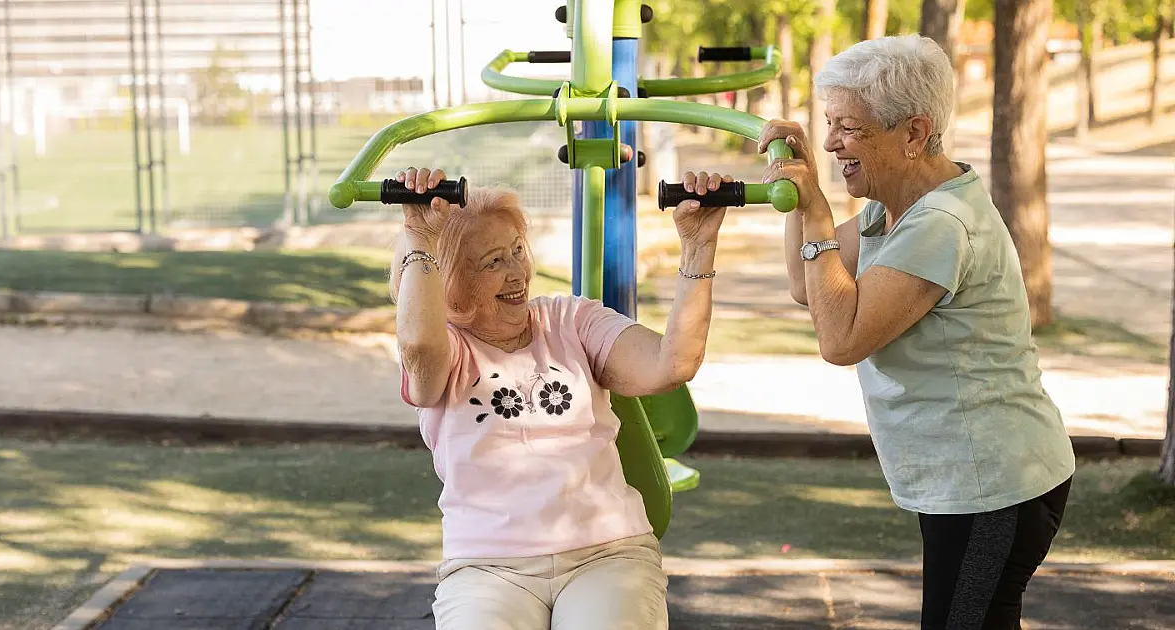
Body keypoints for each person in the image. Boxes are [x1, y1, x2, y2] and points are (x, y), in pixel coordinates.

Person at [757, 34, 1077, 629]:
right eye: (829, 125)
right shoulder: (895, 208)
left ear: (912, 132)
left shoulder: (942, 224)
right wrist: (800, 195)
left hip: (995, 486)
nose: (831, 144)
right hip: (973, 482)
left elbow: (841, 340)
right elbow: (809, 286)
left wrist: (821, 214)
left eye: (850, 128)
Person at [390, 164, 733, 630]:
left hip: (607, 554)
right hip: (487, 566)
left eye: (517, 252)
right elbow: (417, 344)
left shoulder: (571, 321)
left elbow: (672, 364)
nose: (518, 274)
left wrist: (698, 248)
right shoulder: (448, 351)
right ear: (452, 280)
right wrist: (418, 237)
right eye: (493, 262)